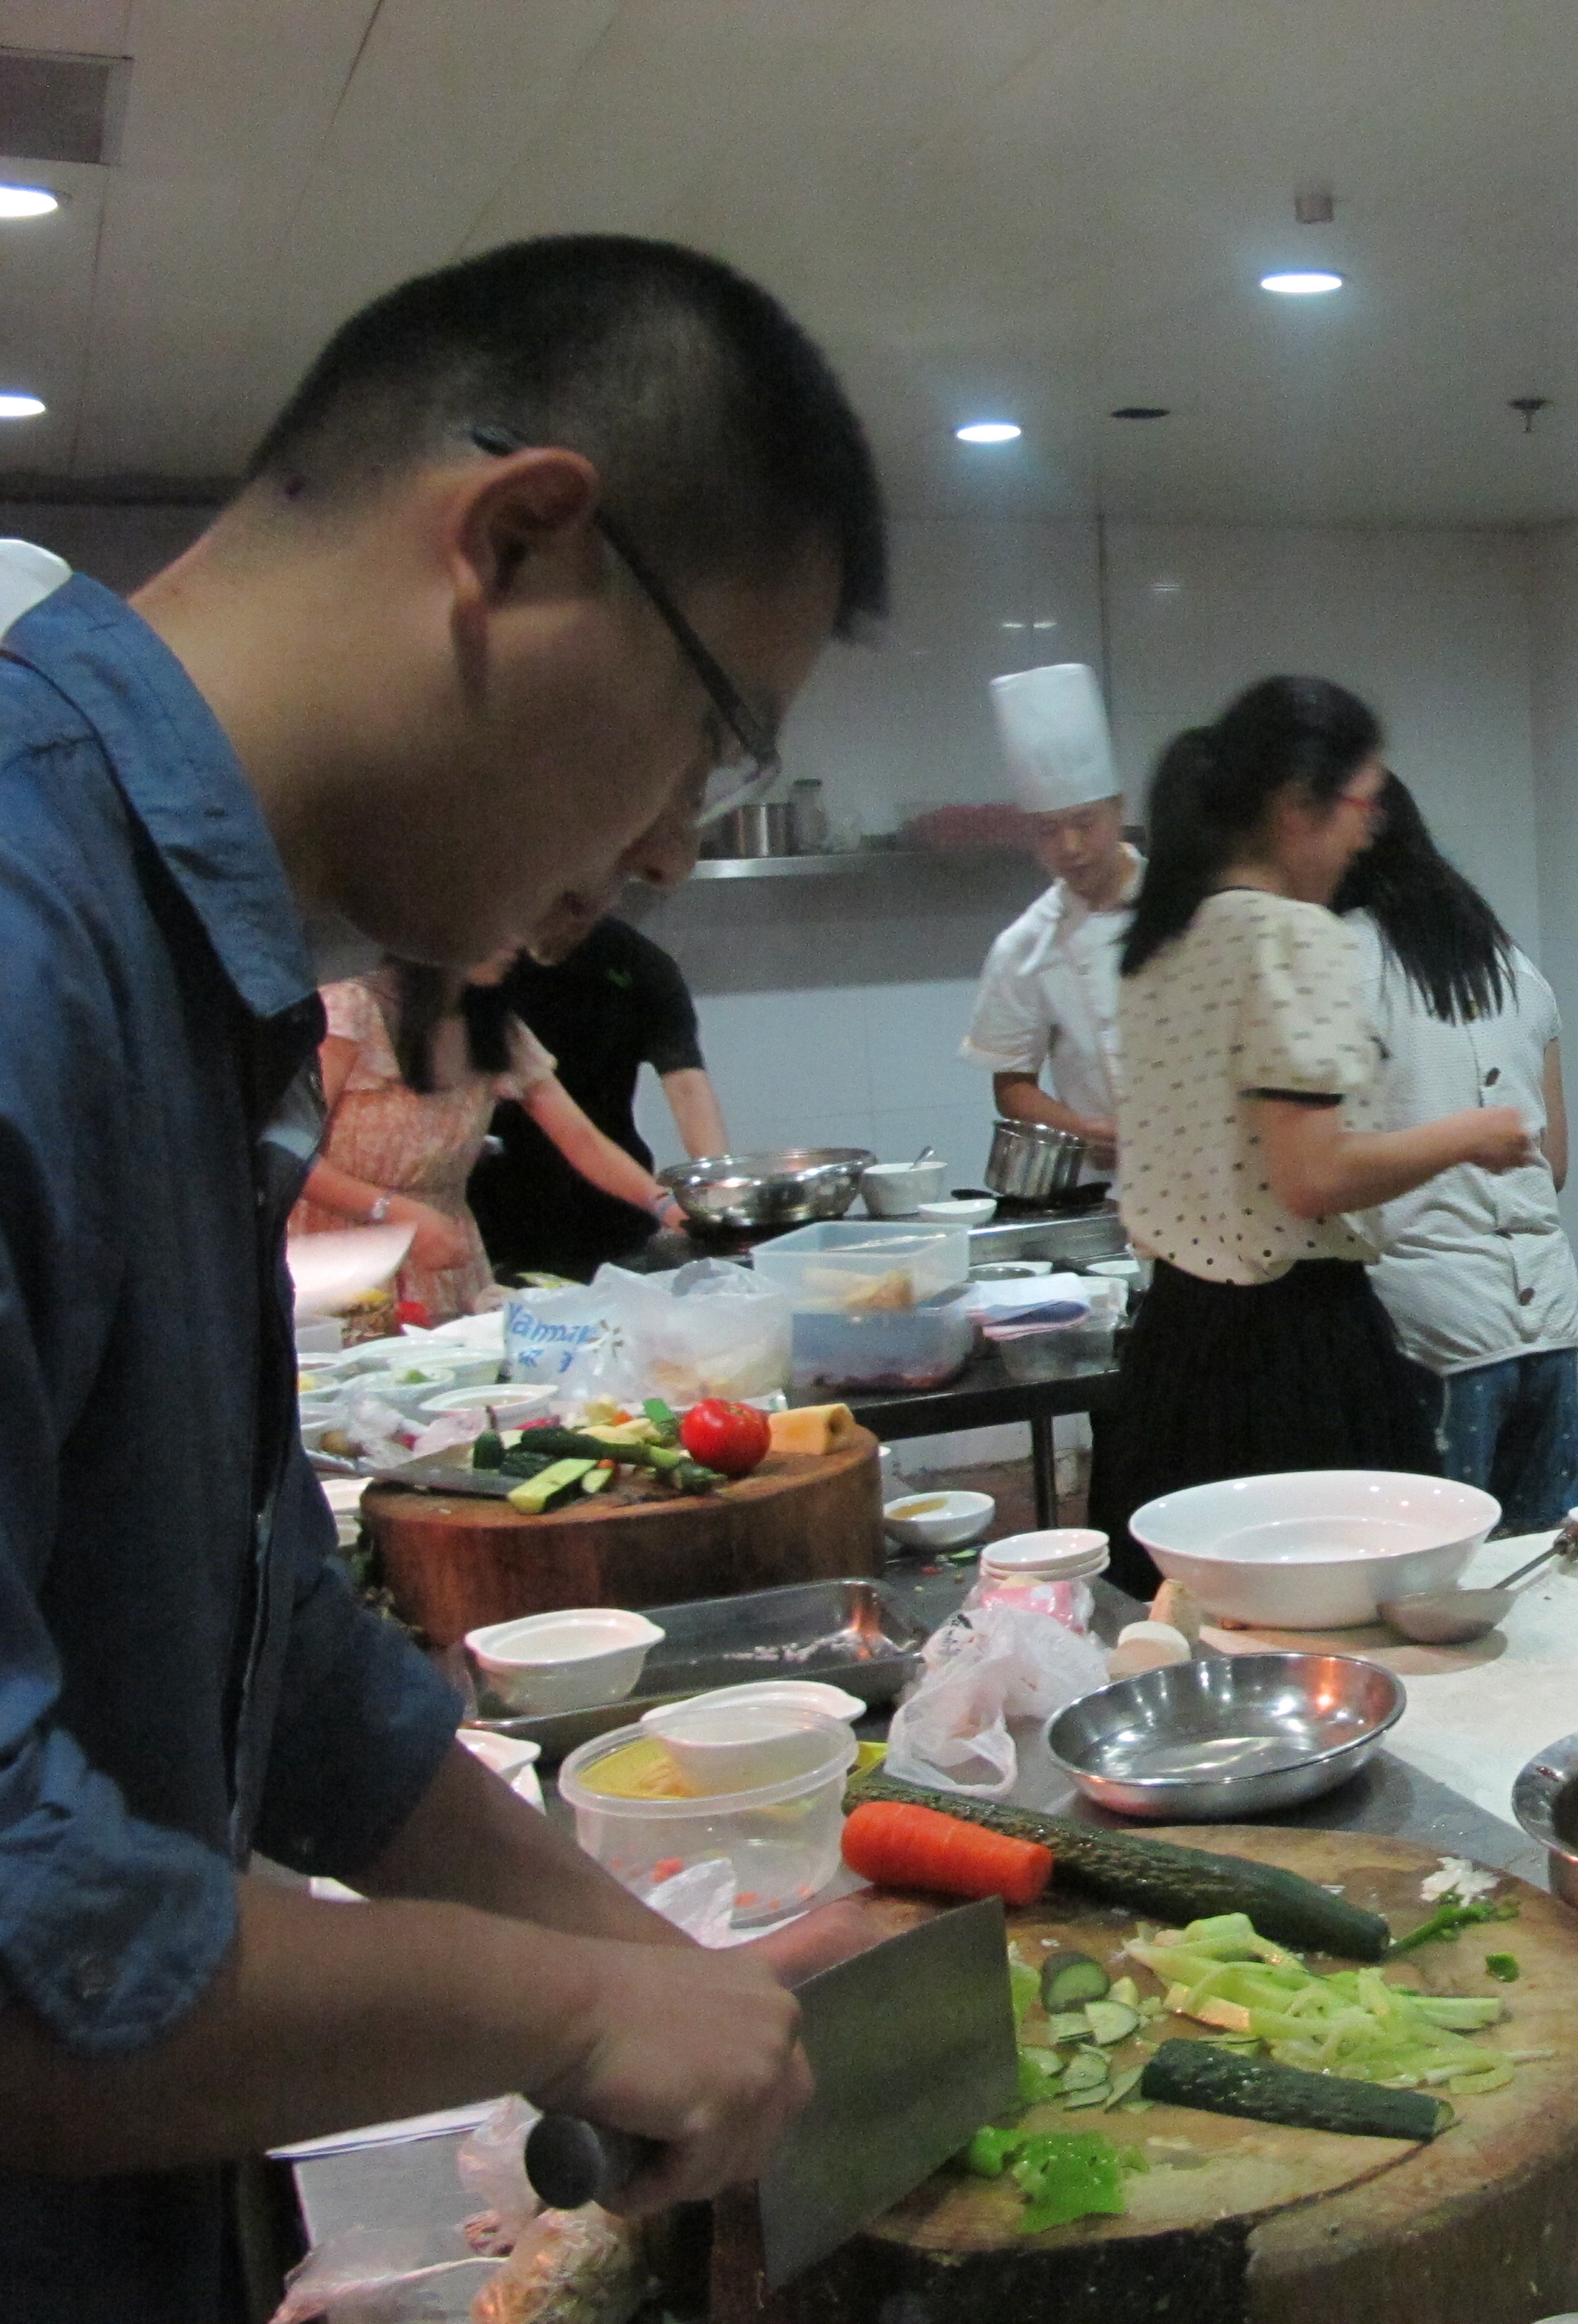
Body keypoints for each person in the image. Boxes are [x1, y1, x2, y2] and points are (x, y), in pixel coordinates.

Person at [0, 234, 888, 2319]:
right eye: (711, 738)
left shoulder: (173, 954)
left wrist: (653, 1974)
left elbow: (272, 1653)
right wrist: (561, 2012)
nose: (672, 850)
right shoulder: (28, 932)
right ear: (514, 540)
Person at [1092, 679, 1534, 1596]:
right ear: (1298, 808)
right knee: (1336, 1621)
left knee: (1187, 1626)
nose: (1367, 835)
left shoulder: (1160, 942)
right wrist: (1469, 1133)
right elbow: (1313, 1176)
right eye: (1362, 807)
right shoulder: (1294, 936)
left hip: (1172, 1343)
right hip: (1288, 1350)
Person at [1335, 772, 1578, 1533]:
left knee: (1431, 1567)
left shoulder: (1337, 961)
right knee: (1542, 1566)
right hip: (1550, 1318)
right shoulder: (1512, 965)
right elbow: (1555, 1163)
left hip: (1428, 1326)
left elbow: (1323, 1173)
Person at [297, 956, 686, 1322]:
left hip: (443, 1250)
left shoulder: (496, 1024)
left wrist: (666, 1205)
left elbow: (582, 1140)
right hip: (336, 1253)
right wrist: (395, 1212)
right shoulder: (348, 1009)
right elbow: (288, 1152)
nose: (511, 942)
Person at [469, 909, 728, 1281]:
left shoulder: (638, 963)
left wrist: (714, 1196)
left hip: (610, 1191)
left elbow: (685, 1086)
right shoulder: (485, 973)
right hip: (491, 1201)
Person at [961, 662, 1139, 1165]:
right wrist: (1085, 1132)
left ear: (1119, 809)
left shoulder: (1185, 905)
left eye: (1085, 822)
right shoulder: (1023, 945)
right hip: (1104, 1182)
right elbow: (1013, 1085)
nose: (1070, 846)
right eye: (1047, 830)